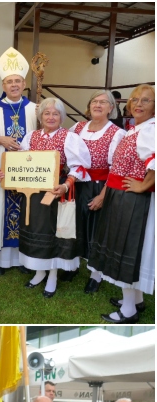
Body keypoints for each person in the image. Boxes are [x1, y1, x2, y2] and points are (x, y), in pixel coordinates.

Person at [0, 98, 90, 298]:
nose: (51, 117)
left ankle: (52, 275)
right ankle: (39, 272)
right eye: (47, 113)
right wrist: (8, 175)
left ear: (61, 117)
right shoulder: (31, 136)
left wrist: (66, 185)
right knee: (34, 228)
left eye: (55, 114)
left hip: (56, 193)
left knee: (53, 233)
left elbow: (78, 166)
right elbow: (21, 164)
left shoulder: (69, 138)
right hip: (33, 194)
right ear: (41, 117)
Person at [87, 84, 154, 323]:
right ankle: (135, 300)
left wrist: (142, 185)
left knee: (125, 248)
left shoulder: (150, 130)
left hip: (130, 198)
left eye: (146, 100)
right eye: (135, 99)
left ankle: (128, 311)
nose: (138, 104)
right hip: (121, 196)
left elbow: (154, 160)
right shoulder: (137, 129)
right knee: (125, 248)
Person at [0, 48, 39, 274]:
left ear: (24, 82)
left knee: (26, 208)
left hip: (27, 168)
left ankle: (24, 258)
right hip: (0, 165)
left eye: (17, 81)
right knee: (1, 205)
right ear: (3, 85)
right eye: (9, 81)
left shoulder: (35, 109)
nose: (14, 85)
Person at [71, 91, 125, 293]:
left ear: (111, 108)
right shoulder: (76, 128)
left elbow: (117, 168)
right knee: (74, 225)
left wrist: (103, 195)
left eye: (104, 102)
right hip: (77, 182)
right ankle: (73, 265)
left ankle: (96, 274)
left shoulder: (116, 133)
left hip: (100, 185)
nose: (98, 105)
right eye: (95, 101)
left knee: (97, 230)